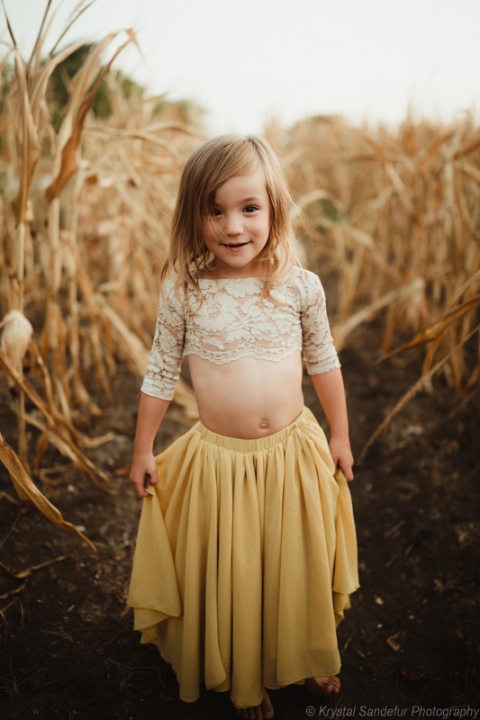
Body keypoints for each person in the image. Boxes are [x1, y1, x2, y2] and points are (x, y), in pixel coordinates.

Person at [128, 134, 359, 720]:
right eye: (214, 209)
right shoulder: (186, 292)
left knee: (297, 557)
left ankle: (308, 651)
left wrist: (339, 434)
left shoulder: (299, 286)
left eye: (249, 208)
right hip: (222, 463)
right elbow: (159, 371)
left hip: (291, 453)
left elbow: (323, 361)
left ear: (274, 208)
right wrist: (142, 449)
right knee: (241, 568)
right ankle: (249, 679)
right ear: (194, 216)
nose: (233, 226)